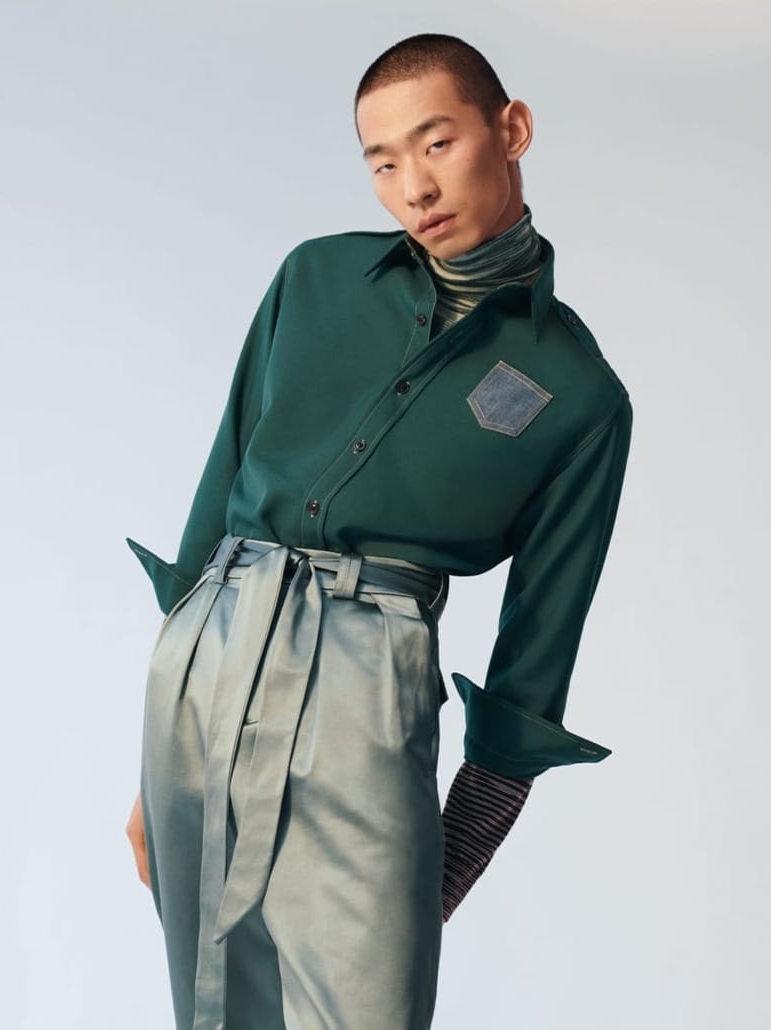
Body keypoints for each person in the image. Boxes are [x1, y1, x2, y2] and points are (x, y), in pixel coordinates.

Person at [125, 31, 632, 1030]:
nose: (414, 187)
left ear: (511, 129)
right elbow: (220, 489)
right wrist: (153, 771)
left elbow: (537, 653)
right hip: (212, 653)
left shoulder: (578, 393)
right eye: (383, 163)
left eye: (436, 144)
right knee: (214, 1005)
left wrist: (450, 856)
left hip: (371, 680)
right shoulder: (313, 278)